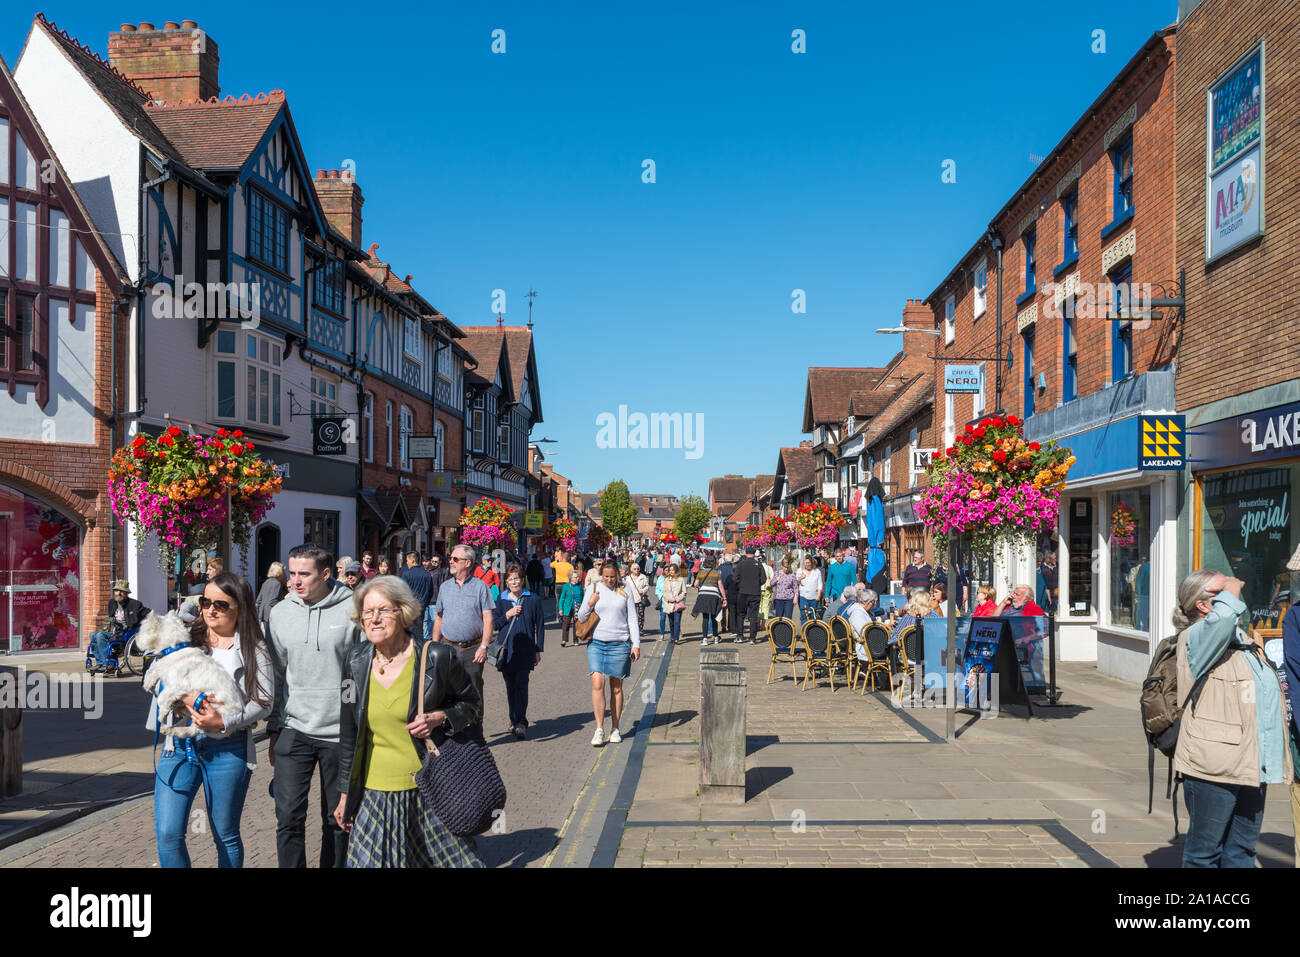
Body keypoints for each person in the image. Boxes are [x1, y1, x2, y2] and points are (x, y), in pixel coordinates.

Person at [333, 575, 484, 868]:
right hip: (373, 793)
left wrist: (441, 717)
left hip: (428, 788)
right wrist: (344, 794)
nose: (374, 619)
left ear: (402, 613)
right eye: (367, 612)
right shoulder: (355, 660)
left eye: (383, 610)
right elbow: (349, 732)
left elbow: (471, 704)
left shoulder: (436, 657)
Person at [151, 571, 274, 868]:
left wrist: (225, 721)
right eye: (206, 602)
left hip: (227, 748)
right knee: (168, 833)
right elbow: (153, 675)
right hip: (178, 746)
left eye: (221, 604)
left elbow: (265, 701)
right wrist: (183, 696)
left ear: (240, 607)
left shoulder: (254, 648)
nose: (211, 609)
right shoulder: (185, 638)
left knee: (225, 834)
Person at [1174, 570, 1291, 868]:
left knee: (1241, 851)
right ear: (1203, 605)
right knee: (1204, 854)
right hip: (1214, 765)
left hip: (1252, 763)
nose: (1232, 589)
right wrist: (1232, 589)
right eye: (1221, 590)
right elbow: (1223, 619)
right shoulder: (1197, 637)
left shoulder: (1243, 642)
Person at [267, 543, 361, 869]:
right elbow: (278, 675)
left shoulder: (353, 608)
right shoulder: (280, 613)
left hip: (340, 731)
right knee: (288, 817)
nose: (295, 581)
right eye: (292, 573)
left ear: (325, 574)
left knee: (337, 821)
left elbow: (364, 670)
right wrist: (274, 727)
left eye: (303, 574)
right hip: (295, 728)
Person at [427, 544, 496, 742]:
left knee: (473, 690)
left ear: (467, 562)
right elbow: (439, 618)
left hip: (472, 649)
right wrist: (434, 645)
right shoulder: (445, 587)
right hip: (448, 648)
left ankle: (476, 734)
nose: (450, 561)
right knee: (447, 690)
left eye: (455, 559)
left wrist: (484, 646)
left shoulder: (480, 587)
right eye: (451, 558)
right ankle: (452, 734)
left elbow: (488, 619)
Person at [576, 560, 641, 746]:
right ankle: (599, 729)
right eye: (606, 577)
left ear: (617, 576)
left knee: (616, 686)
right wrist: (590, 603)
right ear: (601, 575)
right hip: (597, 643)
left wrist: (635, 644)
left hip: (619, 643)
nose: (610, 580)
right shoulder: (594, 588)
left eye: (613, 577)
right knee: (597, 680)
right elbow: (581, 617)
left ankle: (615, 728)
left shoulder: (625, 589)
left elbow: (632, 619)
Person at [493, 564, 545, 739]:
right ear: (506, 582)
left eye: (516, 578)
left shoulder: (533, 599)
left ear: (522, 580)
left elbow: (540, 625)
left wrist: (538, 649)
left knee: (522, 685)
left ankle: (520, 722)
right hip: (507, 651)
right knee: (510, 687)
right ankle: (513, 719)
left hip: (526, 650)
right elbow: (495, 624)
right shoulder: (501, 600)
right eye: (510, 579)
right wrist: (507, 614)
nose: (514, 582)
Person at [88, 580, 150, 674]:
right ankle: (100, 663)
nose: (119, 593)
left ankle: (107, 664)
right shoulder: (112, 603)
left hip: (127, 634)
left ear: (126, 593)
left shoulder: (135, 604)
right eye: (117, 591)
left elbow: (149, 614)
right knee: (93, 634)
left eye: (122, 591)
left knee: (100, 635)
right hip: (115, 631)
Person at [733, 547, 766, 643]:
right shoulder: (758, 564)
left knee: (740, 615)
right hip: (755, 593)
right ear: (754, 553)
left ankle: (739, 636)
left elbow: (735, 578)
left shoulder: (741, 564)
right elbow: (763, 579)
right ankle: (752, 638)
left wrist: (740, 585)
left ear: (746, 553)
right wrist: (756, 584)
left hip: (742, 592)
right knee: (753, 616)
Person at [693, 561, 726, 645]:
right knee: (714, 617)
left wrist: (701, 587)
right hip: (714, 596)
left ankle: (704, 639)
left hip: (703, 595)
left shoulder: (701, 572)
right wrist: (724, 597)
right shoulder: (717, 573)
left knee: (705, 618)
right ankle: (715, 637)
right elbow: (720, 585)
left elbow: (695, 584)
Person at [661, 563, 688, 644]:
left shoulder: (681, 579)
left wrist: (676, 599)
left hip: (677, 604)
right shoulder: (666, 580)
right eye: (670, 570)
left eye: (673, 570)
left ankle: (676, 638)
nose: (671, 572)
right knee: (671, 622)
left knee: (677, 622)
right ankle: (672, 637)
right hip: (669, 603)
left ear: (676, 570)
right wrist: (668, 598)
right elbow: (664, 591)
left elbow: (684, 592)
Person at [256, 562, 287, 630]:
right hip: (271, 615)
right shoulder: (277, 583)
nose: (285, 574)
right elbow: (272, 601)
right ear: (280, 572)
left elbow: (258, 600)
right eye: (283, 571)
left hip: (263, 615)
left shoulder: (266, 582)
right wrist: (285, 605)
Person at [825, 550, 855, 616]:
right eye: (837, 556)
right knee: (834, 614)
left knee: (845, 614)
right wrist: (827, 595)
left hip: (846, 595)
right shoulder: (832, 567)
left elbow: (854, 581)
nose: (839, 558)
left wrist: (855, 594)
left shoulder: (850, 566)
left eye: (840, 556)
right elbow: (828, 582)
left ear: (843, 556)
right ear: (835, 557)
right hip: (835, 594)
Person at [558, 570, 584, 647]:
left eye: (578, 576)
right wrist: (560, 609)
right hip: (567, 608)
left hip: (577, 608)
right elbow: (562, 598)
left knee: (576, 625)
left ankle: (576, 640)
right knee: (566, 624)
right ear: (571, 578)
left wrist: (583, 606)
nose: (578, 578)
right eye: (576, 577)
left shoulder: (580, 585)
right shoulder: (566, 586)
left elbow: (582, 595)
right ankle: (564, 640)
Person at [797, 555, 824, 623]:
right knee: (804, 615)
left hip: (814, 597)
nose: (807, 564)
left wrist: (818, 595)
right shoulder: (800, 571)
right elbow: (795, 582)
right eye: (806, 563)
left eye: (809, 562)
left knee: (813, 616)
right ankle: (804, 632)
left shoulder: (817, 571)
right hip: (804, 597)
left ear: (812, 562)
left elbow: (820, 584)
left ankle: (812, 632)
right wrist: (800, 578)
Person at [625, 562, 650, 634]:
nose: (637, 570)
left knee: (641, 615)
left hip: (640, 598)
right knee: (632, 615)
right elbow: (625, 587)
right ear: (632, 570)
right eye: (635, 569)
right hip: (631, 599)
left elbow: (647, 586)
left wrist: (643, 590)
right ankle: (632, 629)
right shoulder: (628, 578)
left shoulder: (643, 577)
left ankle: (640, 629)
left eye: (638, 569)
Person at [771, 557, 798, 621]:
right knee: (778, 618)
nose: (786, 569)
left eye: (788, 567)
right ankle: (778, 630)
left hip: (789, 599)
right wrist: (776, 580)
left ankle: (788, 630)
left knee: (788, 618)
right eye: (785, 567)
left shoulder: (792, 575)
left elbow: (795, 587)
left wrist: (796, 597)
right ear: (781, 566)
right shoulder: (777, 573)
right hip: (779, 599)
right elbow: (771, 583)